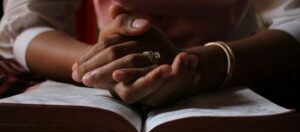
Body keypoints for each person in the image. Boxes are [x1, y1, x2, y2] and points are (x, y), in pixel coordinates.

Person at [0, 0, 299, 107]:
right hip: (110, 71)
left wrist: (207, 64)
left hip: (241, 69)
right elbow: (25, 27)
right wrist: (102, 63)